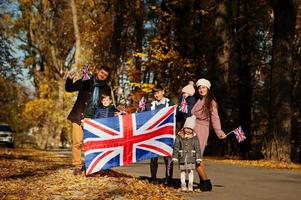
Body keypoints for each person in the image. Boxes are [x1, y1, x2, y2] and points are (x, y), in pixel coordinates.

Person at [65, 65, 111, 175]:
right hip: (79, 115)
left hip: (93, 120)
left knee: (92, 144)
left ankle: (91, 166)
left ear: (107, 77)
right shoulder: (86, 81)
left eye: (105, 75)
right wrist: (70, 79)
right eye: (101, 73)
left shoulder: (106, 88)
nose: (102, 75)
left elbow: (106, 104)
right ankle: (77, 166)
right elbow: (69, 88)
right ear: (97, 71)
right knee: (77, 142)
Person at [191, 78, 226, 191]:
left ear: (208, 88)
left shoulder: (211, 102)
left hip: (202, 129)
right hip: (193, 129)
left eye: (203, 87)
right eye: (200, 88)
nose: (201, 90)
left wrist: (219, 132)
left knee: (196, 157)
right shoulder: (198, 100)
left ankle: (206, 183)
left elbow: (215, 118)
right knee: (195, 156)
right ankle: (202, 182)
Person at [145, 84, 174, 185]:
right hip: (154, 133)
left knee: (168, 157)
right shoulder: (149, 105)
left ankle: (168, 178)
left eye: (158, 92)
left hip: (166, 133)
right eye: (154, 93)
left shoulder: (170, 103)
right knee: (153, 157)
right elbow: (144, 117)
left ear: (163, 92)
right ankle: (153, 178)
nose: (156, 95)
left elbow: (175, 117)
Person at [172, 115, 202, 192]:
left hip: (191, 158)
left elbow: (197, 148)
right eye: (187, 128)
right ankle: (183, 185)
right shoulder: (179, 137)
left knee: (191, 171)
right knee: (182, 172)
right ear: (184, 127)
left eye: (190, 129)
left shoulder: (195, 138)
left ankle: (190, 185)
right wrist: (175, 156)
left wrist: (198, 158)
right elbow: (176, 147)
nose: (188, 130)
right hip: (182, 157)